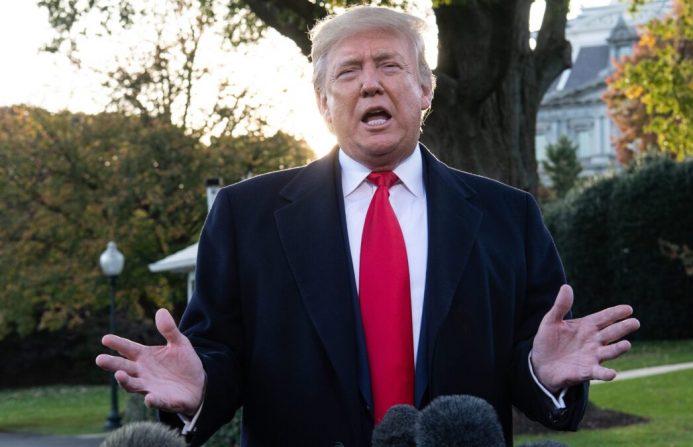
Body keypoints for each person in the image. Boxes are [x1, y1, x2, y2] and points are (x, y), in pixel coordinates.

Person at [96, 6, 640, 446]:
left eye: (390, 65)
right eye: (348, 72)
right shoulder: (245, 216)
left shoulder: (508, 215)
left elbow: (531, 356)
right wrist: (199, 389)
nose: (370, 85)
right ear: (322, 101)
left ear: (425, 91)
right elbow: (218, 353)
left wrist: (543, 372)